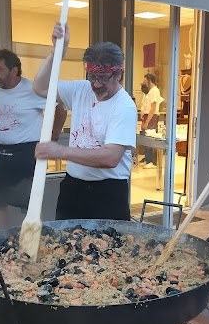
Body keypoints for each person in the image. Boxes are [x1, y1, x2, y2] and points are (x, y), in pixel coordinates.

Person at [33, 23, 137, 220]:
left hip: (107, 193)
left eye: (103, 77)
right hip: (73, 187)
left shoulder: (124, 107)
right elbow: (39, 87)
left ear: (119, 73)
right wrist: (57, 53)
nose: (96, 84)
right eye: (92, 76)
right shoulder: (81, 90)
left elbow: (110, 158)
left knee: (109, 249)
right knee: (65, 246)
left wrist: (60, 151)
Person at [0, 49, 67, 216]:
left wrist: (55, 134)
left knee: (30, 205)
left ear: (14, 70)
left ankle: (32, 241)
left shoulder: (33, 89)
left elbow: (61, 107)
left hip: (27, 152)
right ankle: (4, 240)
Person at [139, 73, 163, 168]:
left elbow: (152, 108)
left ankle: (150, 161)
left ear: (149, 80)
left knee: (150, 137)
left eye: (145, 80)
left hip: (151, 117)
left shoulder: (155, 91)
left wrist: (147, 121)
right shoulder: (149, 91)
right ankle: (147, 158)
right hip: (146, 116)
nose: (144, 82)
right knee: (145, 137)